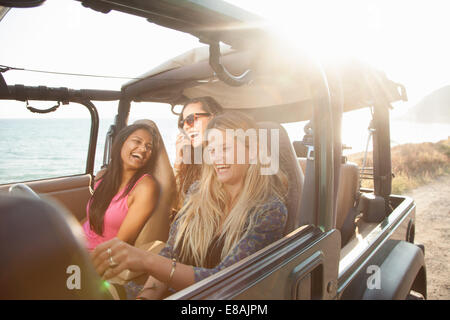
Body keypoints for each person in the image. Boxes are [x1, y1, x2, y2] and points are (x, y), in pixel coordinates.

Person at [91, 111, 288, 299]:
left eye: (225, 148)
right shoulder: (196, 194)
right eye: (211, 150)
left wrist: (146, 260)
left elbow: (224, 282)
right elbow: (170, 255)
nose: (216, 158)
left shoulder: (269, 210)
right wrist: (145, 297)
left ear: (252, 152)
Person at [83, 123, 160, 251]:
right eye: (137, 141)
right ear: (121, 143)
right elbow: (89, 221)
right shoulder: (103, 176)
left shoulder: (146, 187)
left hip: (97, 257)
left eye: (148, 147)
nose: (143, 149)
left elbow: (120, 245)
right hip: (78, 245)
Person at [174, 96, 223, 210]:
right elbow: (175, 206)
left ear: (213, 117)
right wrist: (179, 161)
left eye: (191, 119)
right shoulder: (191, 162)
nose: (186, 127)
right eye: (183, 123)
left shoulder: (231, 158)